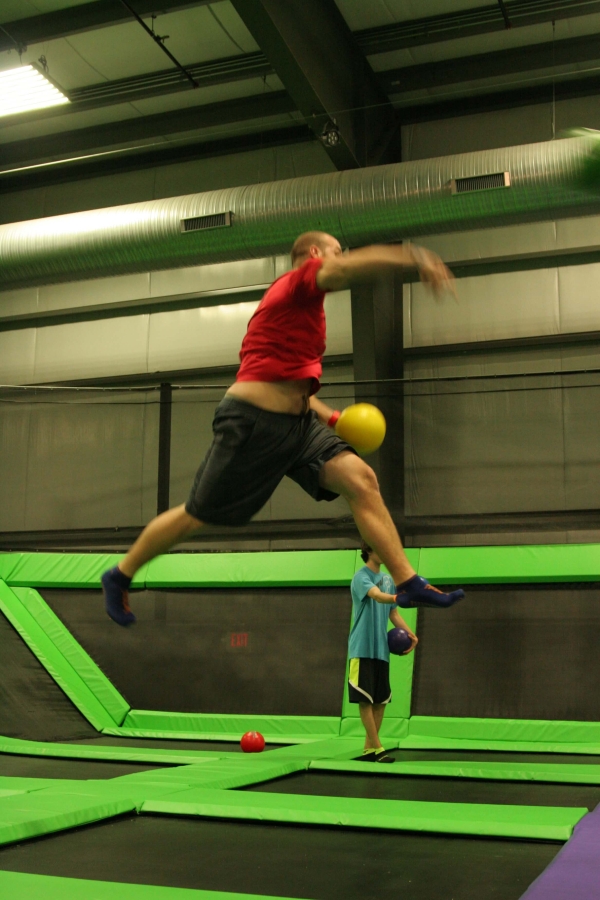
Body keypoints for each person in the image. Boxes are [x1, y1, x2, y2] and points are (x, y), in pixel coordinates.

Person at [101, 231, 465, 625]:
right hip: (252, 424)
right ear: (313, 254)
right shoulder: (297, 283)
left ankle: (407, 581)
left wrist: (332, 418)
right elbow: (345, 268)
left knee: (361, 479)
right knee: (197, 515)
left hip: (299, 425)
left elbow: (288, 376)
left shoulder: (300, 310)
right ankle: (119, 575)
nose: (339, 258)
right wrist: (414, 256)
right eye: (336, 251)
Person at [349, 541, 418, 763]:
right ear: (368, 550)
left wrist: (410, 633)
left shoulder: (388, 580)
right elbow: (377, 596)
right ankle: (379, 748)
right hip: (361, 647)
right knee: (365, 700)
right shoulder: (361, 577)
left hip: (381, 649)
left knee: (380, 701)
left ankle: (369, 749)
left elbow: (393, 614)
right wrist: (398, 597)